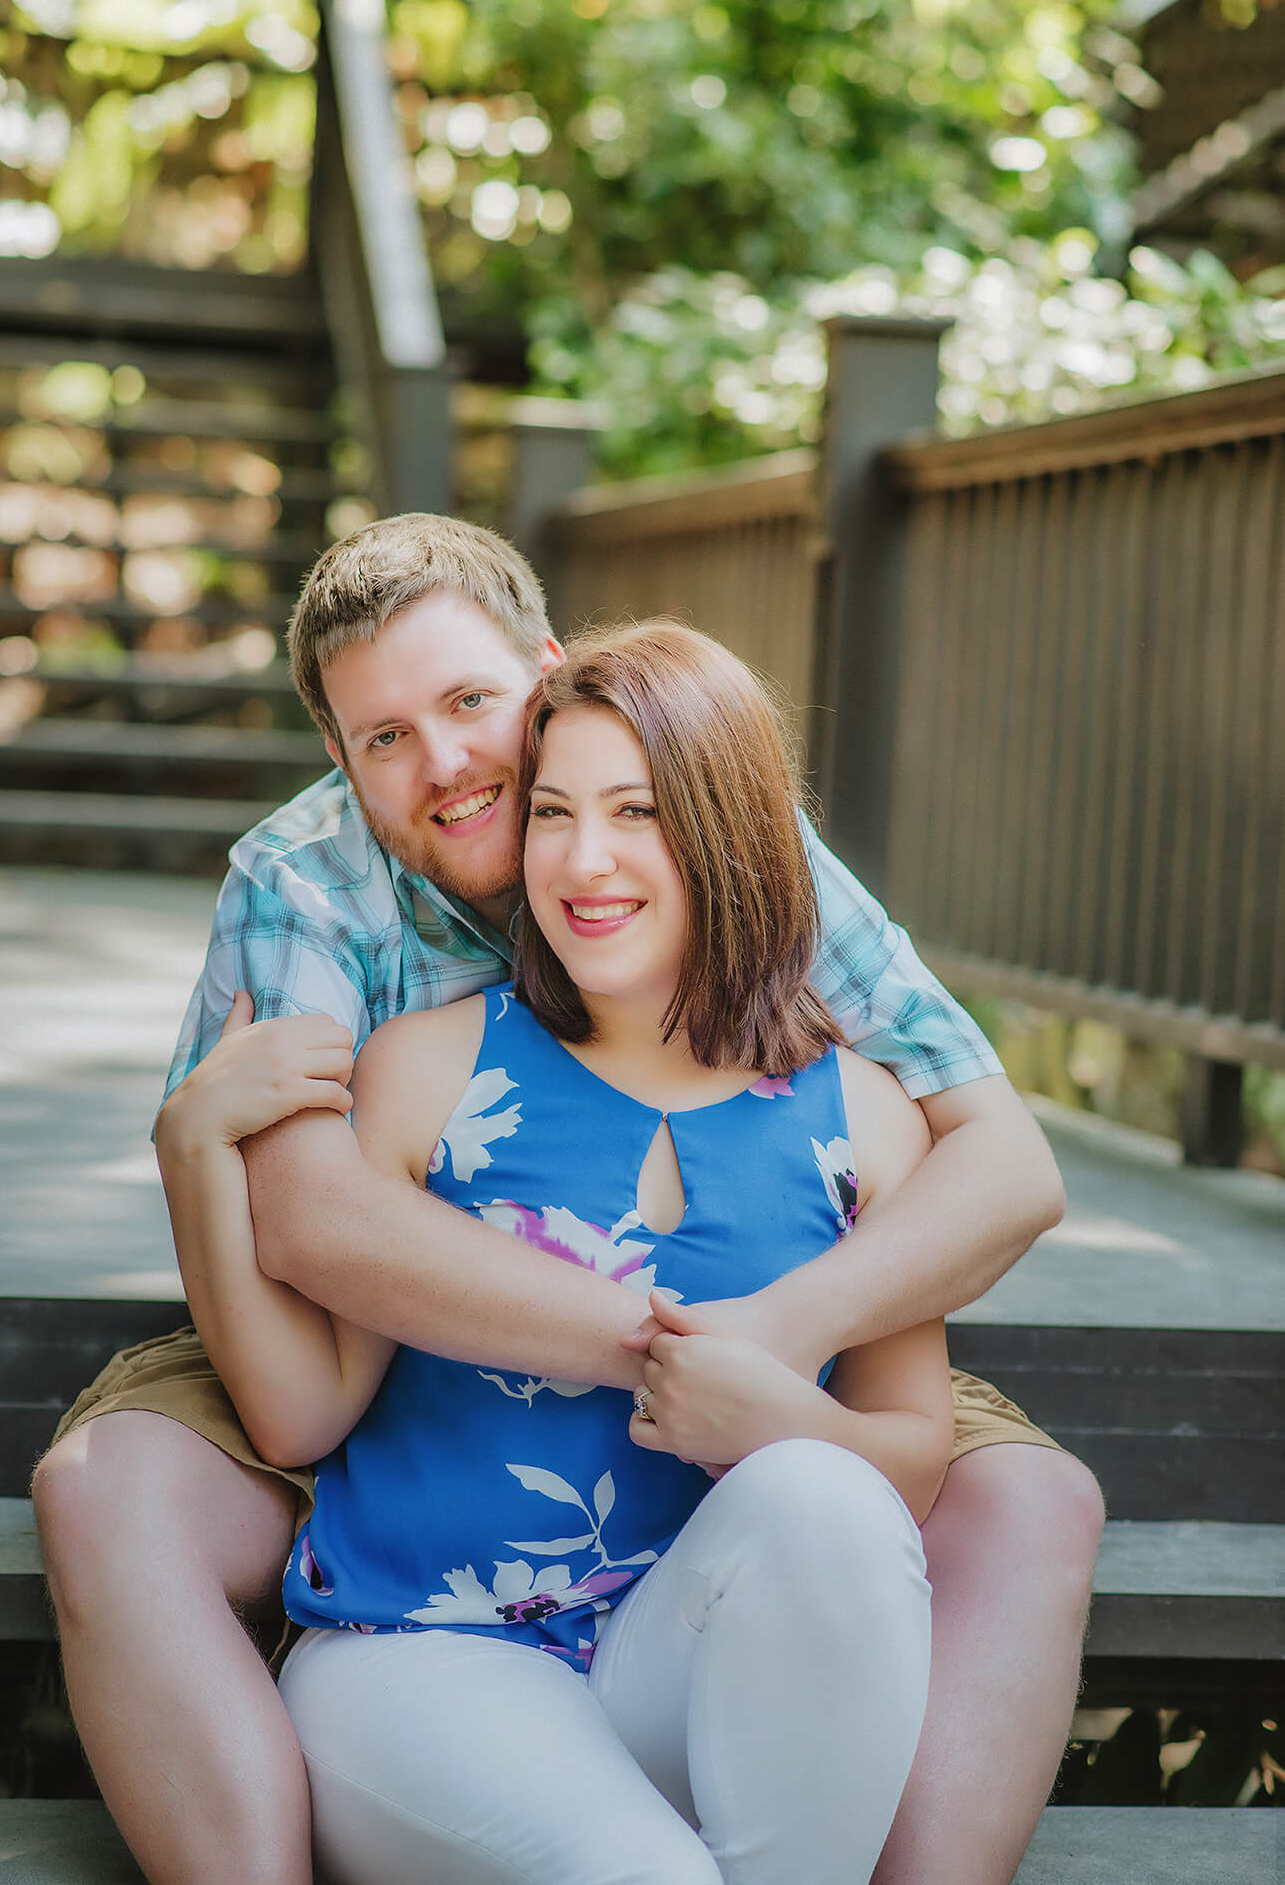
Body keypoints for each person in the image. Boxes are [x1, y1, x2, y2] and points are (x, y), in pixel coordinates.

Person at [31, 515, 1103, 1885]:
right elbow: (318, 1237)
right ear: (339, 758)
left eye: (474, 703)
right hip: (407, 1400)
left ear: (546, 671)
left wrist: (774, 1344)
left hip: (754, 1313)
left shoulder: (713, 817)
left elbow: (1008, 1169)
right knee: (110, 1489)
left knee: (994, 1502)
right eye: (384, 738)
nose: (450, 765)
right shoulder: (308, 892)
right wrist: (678, 1354)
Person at [160, 619, 954, 1884]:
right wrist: (193, 1150)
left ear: (730, 829)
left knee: (824, 1495)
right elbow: (300, 1408)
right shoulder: (424, 1069)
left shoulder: (861, 1114)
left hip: (674, 1663)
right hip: (419, 1654)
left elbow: (906, 1457)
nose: (584, 861)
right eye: (552, 812)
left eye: (637, 811)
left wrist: (784, 1419)